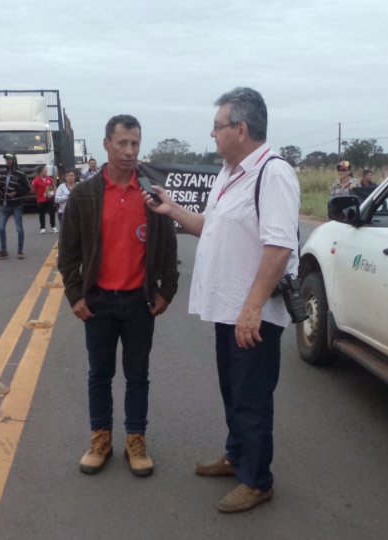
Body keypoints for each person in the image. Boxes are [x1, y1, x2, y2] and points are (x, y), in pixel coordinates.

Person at [143, 87, 300, 513]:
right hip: (228, 309)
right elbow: (208, 226)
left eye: (217, 126)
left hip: (253, 313)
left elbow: (279, 247)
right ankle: (236, 456)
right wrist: (173, 209)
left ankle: (257, 479)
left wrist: (251, 309)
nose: (211, 134)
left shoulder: (274, 174)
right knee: (233, 390)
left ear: (241, 129)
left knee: (251, 397)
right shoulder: (229, 173)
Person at [57, 114, 179, 478]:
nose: (129, 151)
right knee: (99, 375)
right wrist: (76, 295)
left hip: (140, 303)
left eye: (135, 144)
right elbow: (69, 254)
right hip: (99, 303)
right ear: (106, 144)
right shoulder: (85, 195)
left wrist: (167, 290)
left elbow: (169, 250)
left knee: (138, 375)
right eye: (122, 143)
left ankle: (136, 441)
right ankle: (101, 440)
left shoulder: (151, 195)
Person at [0, 153, 30, 260]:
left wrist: (16, 193)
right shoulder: (5, 173)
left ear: (14, 160)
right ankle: (3, 250)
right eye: (6, 159)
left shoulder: (20, 173)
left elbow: (27, 188)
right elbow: (4, 186)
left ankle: (20, 250)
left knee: (19, 229)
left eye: (9, 159)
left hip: (16, 204)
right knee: (1, 228)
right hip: (5, 204)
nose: (7, 161)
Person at [31, 165, 57, 233]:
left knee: (52, 212)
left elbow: (53, 186)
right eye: (44, 171)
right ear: (40, 173)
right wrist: (31, 189)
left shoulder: (49, 179)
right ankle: (42, 227)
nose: (46, 172)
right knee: (41, 213)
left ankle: (53, 226)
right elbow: (33, 190)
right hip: (41, 200)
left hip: (49, 198)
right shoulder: (36, 180)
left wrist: (54, 192)